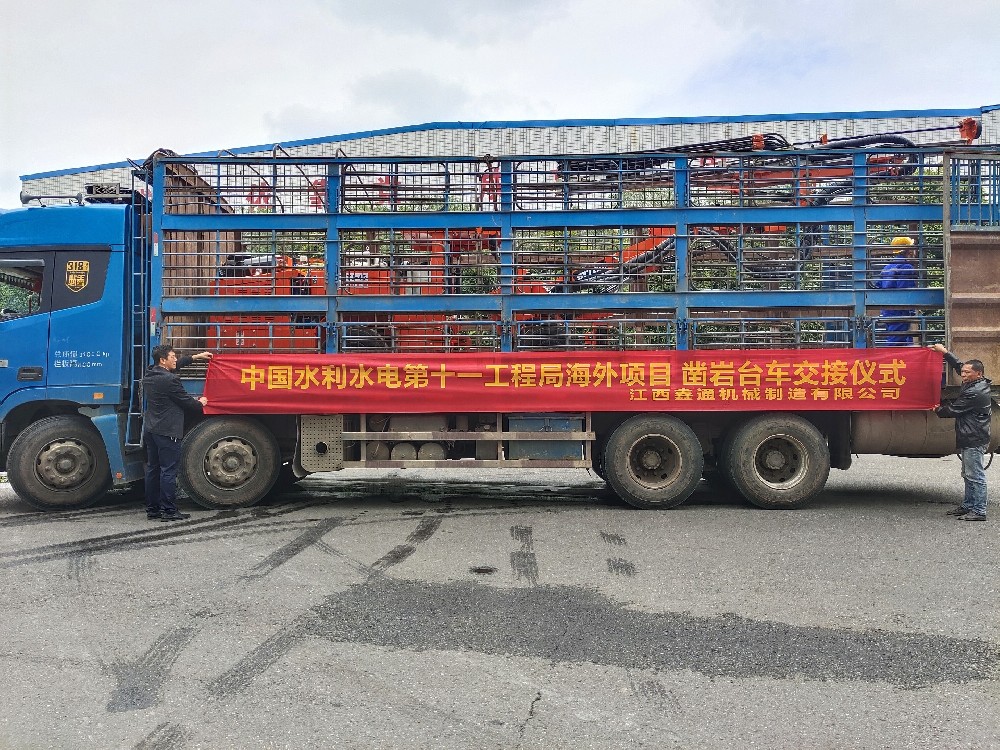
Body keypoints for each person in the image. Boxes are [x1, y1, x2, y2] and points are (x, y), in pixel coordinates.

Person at [142, 345, 213, 521]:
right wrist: (201, 403)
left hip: (151, 429)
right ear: (163, 360)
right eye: (172, 356)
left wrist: (196, 356)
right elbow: (187, 403)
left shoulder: (150, 373)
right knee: (168, 470)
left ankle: (153, 509)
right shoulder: (170, 380)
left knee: (153, 469)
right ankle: (169, 511)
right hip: (168, 431)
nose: (175, 359)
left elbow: (176, 365)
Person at [929, 343, 992, 521]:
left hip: (974, 438)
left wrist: (937, 409)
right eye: (963, 372)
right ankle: (968, 505)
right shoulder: (974, 382)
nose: (963, 375)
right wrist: (945, 352)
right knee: (967, 474)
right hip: (970, 435)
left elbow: (954, 410)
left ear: (978, 374)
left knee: (975, 475)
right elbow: (959, 365)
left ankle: (979, 510)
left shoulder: (975, 392)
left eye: (967, 373)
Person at [875, 237, 918, 345]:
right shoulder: (906, 267)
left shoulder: (886, 268)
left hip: (887, 311)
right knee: (896, 342)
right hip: (900, 311)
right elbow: (905, 292)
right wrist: (911, 311)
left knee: (901, 340)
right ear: (908, 250)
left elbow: (878, 286)